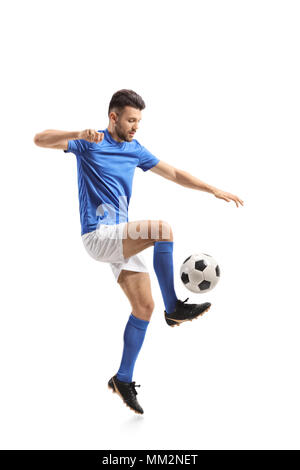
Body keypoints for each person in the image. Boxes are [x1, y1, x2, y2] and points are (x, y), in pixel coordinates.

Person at [34, 89, 244, 415]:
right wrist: (76, 133)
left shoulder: (134, 149)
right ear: (113, 117)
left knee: (144, 307)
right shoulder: (91, 142)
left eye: (139, 121)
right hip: (99, 234)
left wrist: (212, 189)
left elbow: (172, 173)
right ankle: (174, 308)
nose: (135, 126)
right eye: (131, 120)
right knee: (162, 230)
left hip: (121, 237)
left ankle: (122, 378)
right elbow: (39, 139)